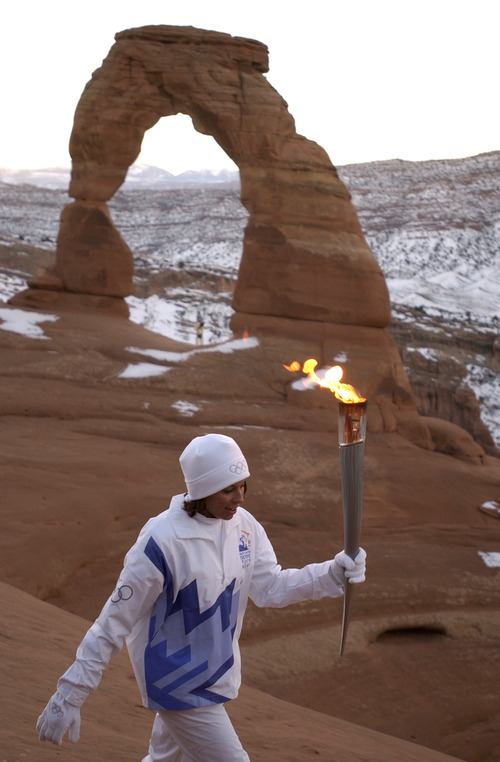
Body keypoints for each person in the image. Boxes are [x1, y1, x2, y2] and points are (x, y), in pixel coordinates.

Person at [36, 433, 367, 761]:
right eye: (227, 490)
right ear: (202, 491)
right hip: (175, 682)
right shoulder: (161, 542)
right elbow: (112, 624)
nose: (239, 498)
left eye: (242, 486)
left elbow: (270, 588)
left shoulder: (245, 527)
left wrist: (331, 574)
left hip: (212, 678)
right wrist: (68, 697)